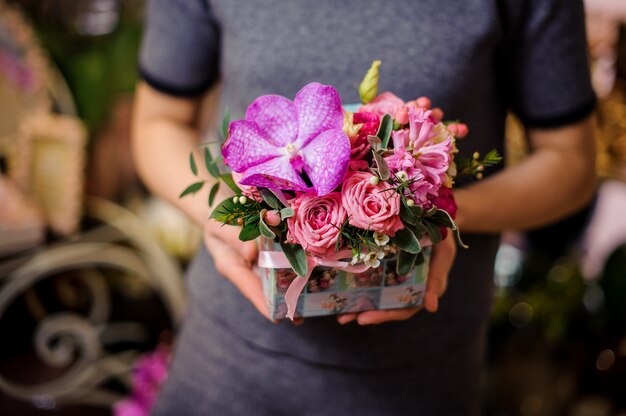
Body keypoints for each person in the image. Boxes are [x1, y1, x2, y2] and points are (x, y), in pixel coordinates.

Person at [131, 1, 596, 414]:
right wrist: (224, 219)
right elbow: (159, 120)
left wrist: (443, 214)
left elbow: (571, 162)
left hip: (419, 375)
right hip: (227, 360)